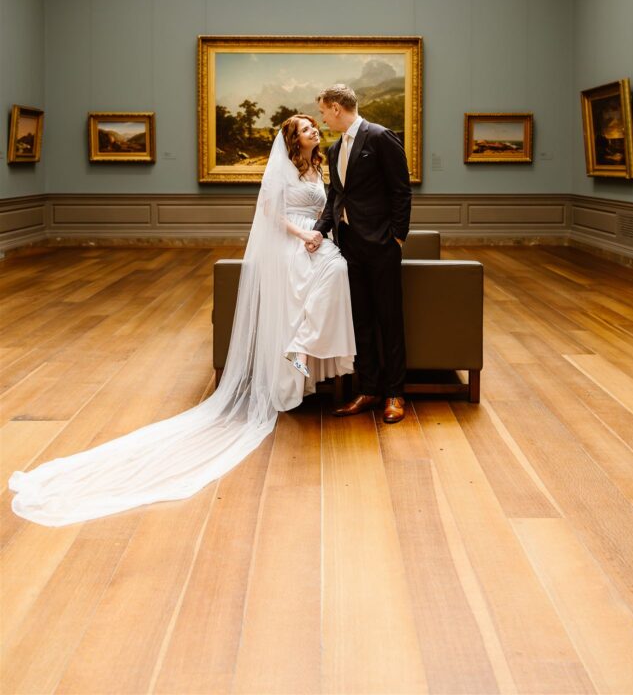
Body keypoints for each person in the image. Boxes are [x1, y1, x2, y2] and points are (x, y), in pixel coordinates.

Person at [8, 116, 355, 527]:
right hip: (290, 246)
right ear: (291, 139)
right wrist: (304, 238)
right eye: (305, 128)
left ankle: (306, 359)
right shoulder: (283, 169)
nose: (313, 130)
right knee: (311, 281)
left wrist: (324, 235)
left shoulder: (321, 168)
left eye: (315, 126)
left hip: (318, 243)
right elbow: (270, 214)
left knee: (334, 275)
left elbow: (330, 209)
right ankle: (293, 368)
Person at [310, 84, 412, 424]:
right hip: (348, 245)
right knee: (361, 320)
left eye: (324, 112)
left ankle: (395, 394)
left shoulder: (380, 137)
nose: (323, 119)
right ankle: (368, 389)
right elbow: (335, 198)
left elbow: (401, 190)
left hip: (382, 246)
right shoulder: (335, 148)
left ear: (337, 108)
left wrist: (396, 237)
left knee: (389, 319)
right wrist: (320, 230)